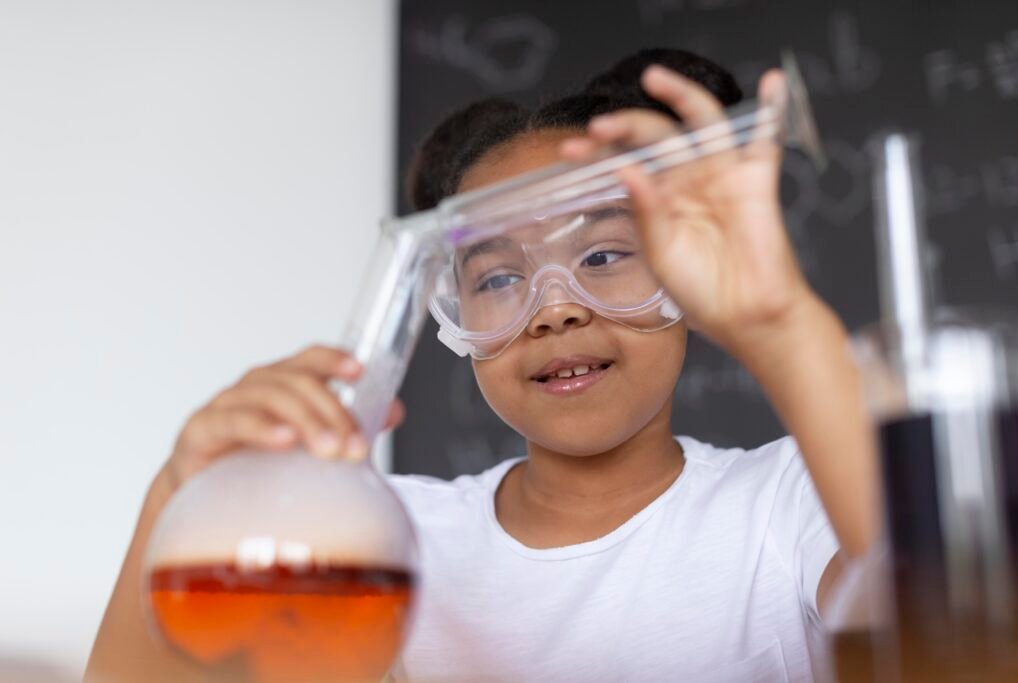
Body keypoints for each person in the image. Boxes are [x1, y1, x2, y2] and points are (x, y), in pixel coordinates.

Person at [87, 48, 878, 682]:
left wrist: (780, 326)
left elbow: (961, 620)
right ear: (450, 313)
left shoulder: (795, 502)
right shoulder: (379, 537)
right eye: (499, 277)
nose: (553, 307)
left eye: (603, 254)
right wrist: (177, 494)